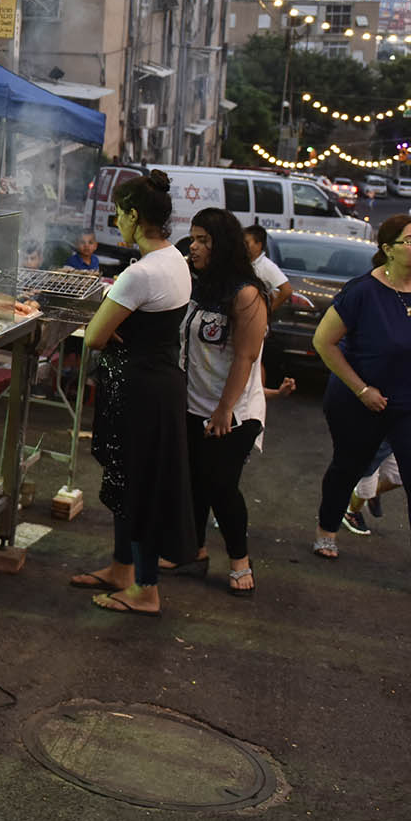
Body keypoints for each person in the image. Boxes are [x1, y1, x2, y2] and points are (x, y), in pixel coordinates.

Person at [309, 215, 411, 605]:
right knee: (348, 465)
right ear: (387, 249)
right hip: (361, 399)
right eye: (410, 241)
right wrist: (362, 389)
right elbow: (323, 342)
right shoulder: (361, 292)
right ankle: (327, 528)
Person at [69, 171, 194, 617]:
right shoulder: (175, 260)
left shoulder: (140, 274)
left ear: (135, 217)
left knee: (137, 486)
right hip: (160, 383)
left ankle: (146, 590)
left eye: (119, 214)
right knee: (129, 481)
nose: (115, 221)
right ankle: (123, 570)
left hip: (137, 390)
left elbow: (94, 338)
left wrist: (110, 323)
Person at [173, 208, 268, 595]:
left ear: (222, 245)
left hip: (234, 412)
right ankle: (192, 552)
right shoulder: (197, 284)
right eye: (193, 238)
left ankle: (240, 560)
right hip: (194, 404)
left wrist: (225, 409)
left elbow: (245, 356)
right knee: (193, 481)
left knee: (221, 485)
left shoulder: (246, 294)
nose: (193, 247)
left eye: (203, 240)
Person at [244, 224, 291, 314]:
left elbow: (287, 290)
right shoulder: (242, 262)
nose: (243, 246)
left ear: (259, 245)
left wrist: (267, 312)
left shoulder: (267, 266)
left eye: (246, 243)